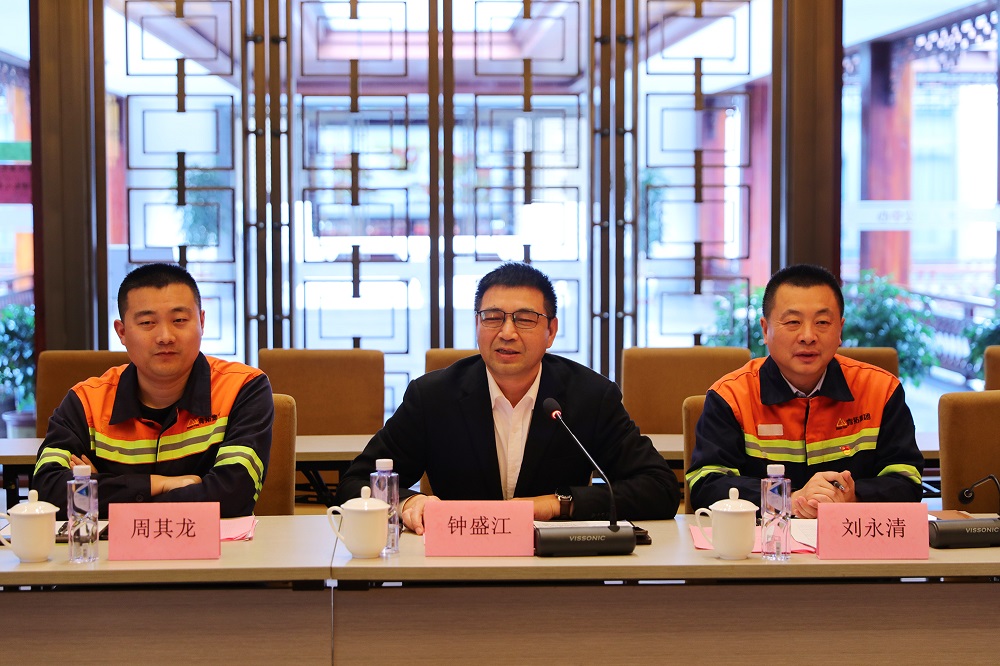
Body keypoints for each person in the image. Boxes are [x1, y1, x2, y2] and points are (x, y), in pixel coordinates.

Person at [337, 262, 680, 534]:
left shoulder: (590, 396)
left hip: (559, 574)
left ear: (551, 331)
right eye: (493, 318)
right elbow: (355, 483)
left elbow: (660, 488)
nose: (507, 332)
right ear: (477, 324)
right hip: (456, 570)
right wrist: (409, 504)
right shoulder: (433, 397)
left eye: (525, 319)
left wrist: (557, 504)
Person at [33, 263, 273, 519]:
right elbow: (48, 492)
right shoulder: (87, 401)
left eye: (179, 320)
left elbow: (233, 495)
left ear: (202, 322)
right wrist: (162, 484)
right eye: (147, 322)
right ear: (122, 332)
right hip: (112, 547)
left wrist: (100, 487)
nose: (165, 336)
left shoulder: (243, 388)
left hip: (216, 546)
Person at [686, 264, 924, 518]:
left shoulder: (881, 390)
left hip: (849, 535)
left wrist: (853, 497)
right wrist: (788, 499)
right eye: (793, 322)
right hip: (765, 540)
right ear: (765, 330)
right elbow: (706, 484)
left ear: (840, 330)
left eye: (822, 322)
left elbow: (907, 480)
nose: (808, 336)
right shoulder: (731, 396)